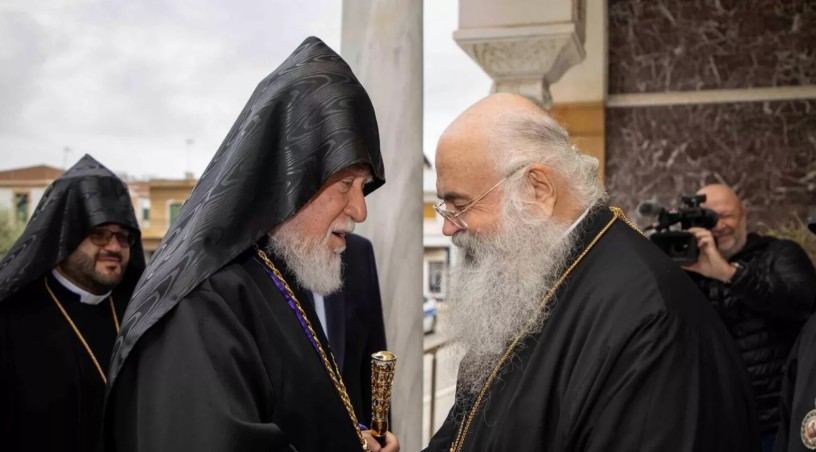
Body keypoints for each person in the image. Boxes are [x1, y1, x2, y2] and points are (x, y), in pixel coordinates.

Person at [104, 37, 399, 452]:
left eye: (362, 187)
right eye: (345, 183)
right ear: (290, 178)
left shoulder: (276, 273)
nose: (360, 209)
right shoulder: (199, 305)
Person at [424, 93, 759, 452]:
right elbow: (468, 430)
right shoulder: (529, 277)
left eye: (460, 204)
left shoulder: (652, 324)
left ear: (537, 190)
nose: (448, 227)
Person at [0, 154, 145, 452]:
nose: (114, 247)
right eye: (99, 234)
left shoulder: (141, 314)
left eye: (123, 236)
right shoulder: (11, 320)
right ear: (65, 236)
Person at [683, 184, 816, 451]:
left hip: (771, 421)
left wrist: (728, 274)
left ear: (744, 214)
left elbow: (801, 303)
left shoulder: (779, 253)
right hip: (715, 424)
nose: (719, 225)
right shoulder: (686, 269)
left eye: (726, 215)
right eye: (708, 218)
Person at [310, 233, 387, 426]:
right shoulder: (259, 256)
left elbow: (374, 357)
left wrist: (380, 434)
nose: (359, 217)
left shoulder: (359, 251)